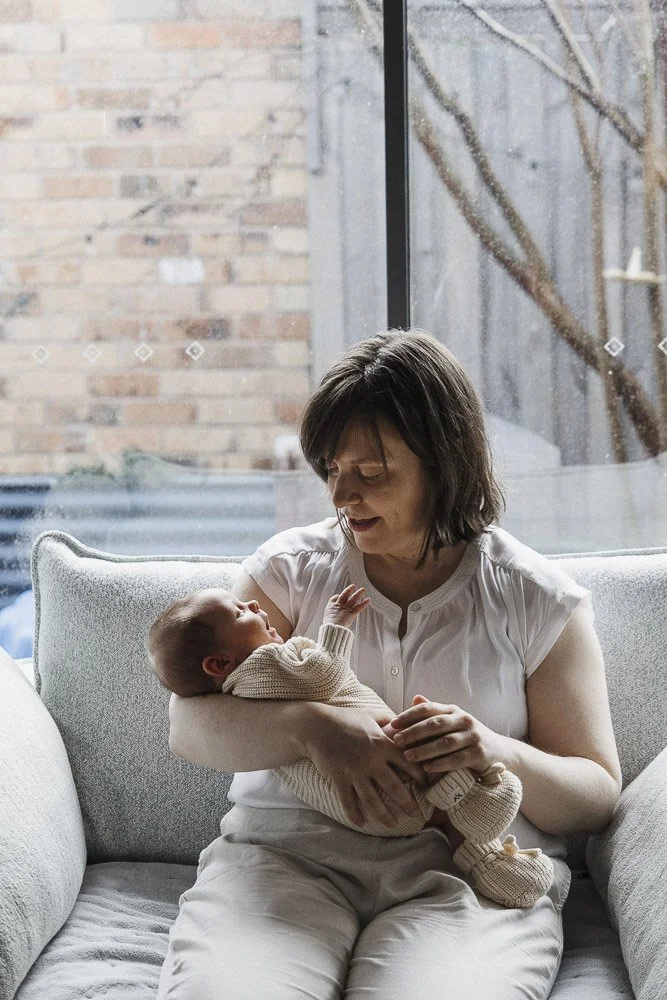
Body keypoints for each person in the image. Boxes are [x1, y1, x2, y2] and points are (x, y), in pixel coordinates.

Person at [159, 329, 622, 1000]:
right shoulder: (290, 571)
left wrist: (491, 748)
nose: (342, 496)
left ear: (443, 463)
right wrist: (315, 729)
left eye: (370, 474)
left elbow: (593, 795)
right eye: (330, 470)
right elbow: (187, 727)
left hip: (462, 877)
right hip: (285, 859)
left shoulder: (534, 599)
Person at [147, 584, 554, 909]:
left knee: (433, 793)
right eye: (240, 612)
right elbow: (320, 678)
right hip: (347, 813)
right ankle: (480, 806)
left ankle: (483, 850)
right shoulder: (261, 666)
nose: (252, 604)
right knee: (428, 751)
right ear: (219, 665)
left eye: (372, 474)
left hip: (372, 812)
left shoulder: (243, 681)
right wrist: (335, 626)